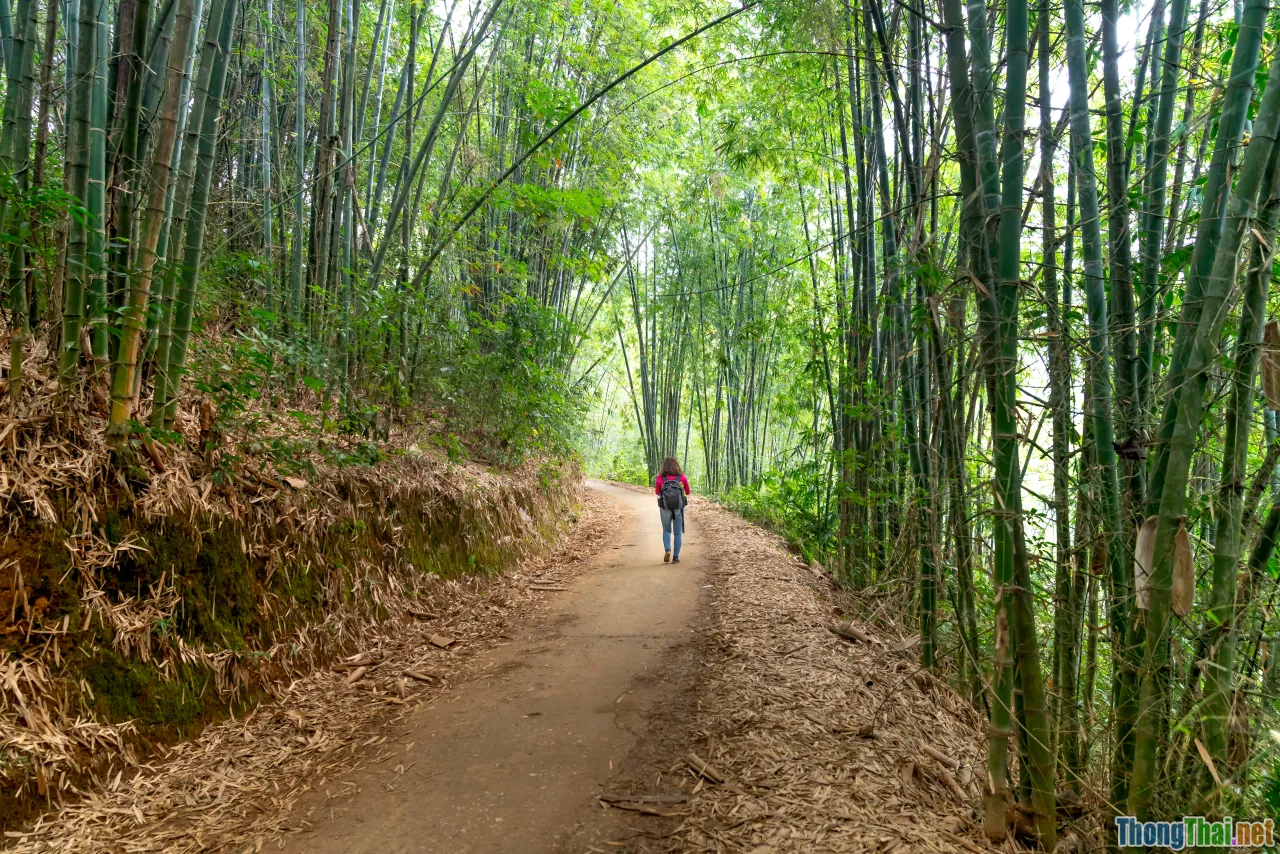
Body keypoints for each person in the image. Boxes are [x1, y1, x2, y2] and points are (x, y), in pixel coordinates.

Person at [654, 456, 690, 563]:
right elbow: (687, 492)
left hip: (665, 507)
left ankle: (667, 549)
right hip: (678, 508)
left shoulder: (660, 478)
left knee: (666, 530)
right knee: (678, 533)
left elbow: (657, 492)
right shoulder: (682, 478)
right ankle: (675, 557)